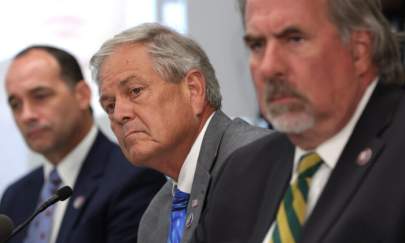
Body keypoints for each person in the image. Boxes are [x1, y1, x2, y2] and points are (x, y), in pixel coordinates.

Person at [192, 0, 405, 242]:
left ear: (359, 50)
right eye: (257, 45)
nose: (269, 67)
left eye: (294, 39)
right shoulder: (243, 171)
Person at [89, 23, 270, 243]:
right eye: (109, 106)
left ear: (193, 90)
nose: (119, 114)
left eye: (135, 91)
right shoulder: (155, 217)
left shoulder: (256, 161)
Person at [0, 45, 165, 243]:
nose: (26, 115)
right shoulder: (15, 196)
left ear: (82, 95)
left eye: (40, 96)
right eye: (16, 104)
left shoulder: (135, 177)